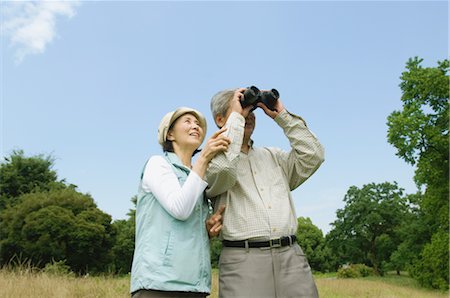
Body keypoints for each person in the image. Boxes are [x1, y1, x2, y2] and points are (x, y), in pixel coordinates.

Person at [205, 88, 325, 298]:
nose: (248, 115)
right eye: (241, 109)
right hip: (242, 260)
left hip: (291, 257)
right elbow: (224, 170)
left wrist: (282, 116)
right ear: (220, 119)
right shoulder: (210, 160)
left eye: (251, 110)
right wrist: (235, 121)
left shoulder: (274, 156)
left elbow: (313, 155)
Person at [130, 107, 230, 298]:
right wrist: (204, 159)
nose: (195, 126)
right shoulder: (158, 164)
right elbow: (180, 209)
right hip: (158, 285)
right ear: (169, 134)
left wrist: (206, 230)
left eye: (198, 124)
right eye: (188, 121)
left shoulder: (197, 176)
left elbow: (182, 226)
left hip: (195, 285)